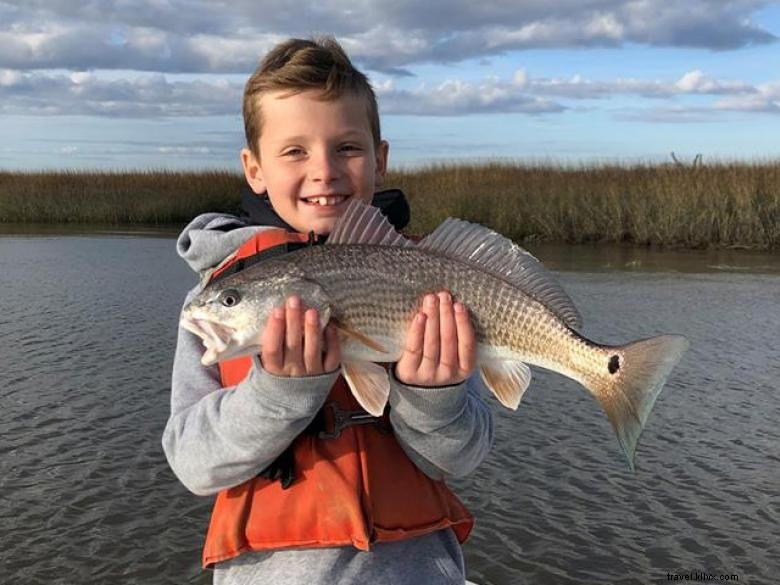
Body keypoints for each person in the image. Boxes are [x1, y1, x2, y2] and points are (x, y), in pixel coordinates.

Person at [162, 36, 494, 585]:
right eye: (294, 151)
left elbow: (464, 457)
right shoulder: (216, 301)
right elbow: (194, 465)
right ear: (254, 169)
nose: (324, 171)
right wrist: (277, 392)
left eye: (347, 148)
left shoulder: (430, 281)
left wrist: (435, 398)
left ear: (380, 159)